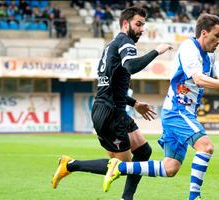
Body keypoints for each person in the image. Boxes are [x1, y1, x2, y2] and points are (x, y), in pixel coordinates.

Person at [102, 14, 219, 200]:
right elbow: (199, 79)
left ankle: (120, 167)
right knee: (206, 147)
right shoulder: (189, 48)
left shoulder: (210, 55)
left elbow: (214, 79)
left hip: (182, 112)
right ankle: (194, 197)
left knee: (170, 168)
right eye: (217, 35)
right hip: (177, 111)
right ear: (204, 33)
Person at [52, 6, 172, 200]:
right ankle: (70, 165)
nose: (142, 29)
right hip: (110, 114)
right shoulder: (125, 42)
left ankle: (127, 198)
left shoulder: (112, 45)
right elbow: (131, 66)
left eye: (143, 25)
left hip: (113, 109)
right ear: (125, 24)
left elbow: (111, 86)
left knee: (143, 151)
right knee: (123, 167)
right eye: (138, 24)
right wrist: (157, 51)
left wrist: (133, 103)